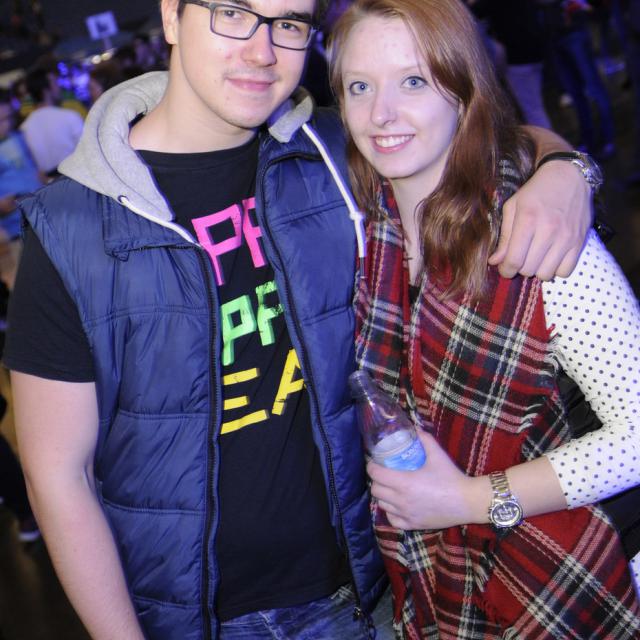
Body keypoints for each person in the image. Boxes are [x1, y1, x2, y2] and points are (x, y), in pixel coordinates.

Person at [4, 0, 595, 638]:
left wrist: (565, 171)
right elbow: (57, 474)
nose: (262, 51)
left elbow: (481, 137)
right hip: (203, 619)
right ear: (172, 16)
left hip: (382, 582)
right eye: (233, 13)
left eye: (288, 23)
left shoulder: (331, 152)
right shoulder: (71, 229)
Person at [328, 0, 640, 637]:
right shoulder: (367, 238)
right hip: (444, 585)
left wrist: (468, 500)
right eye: (360, 87)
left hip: (577, 579)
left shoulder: (537, 238)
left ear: (463, 90)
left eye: (413, 81)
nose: (381, 113)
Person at [19, 68, 84, 176]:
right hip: (78, 176)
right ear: (45, 91)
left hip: (48, 184)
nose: (59, 86)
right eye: (54, 82)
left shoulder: (24, 128)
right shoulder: (69, 116)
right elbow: (87, 150)